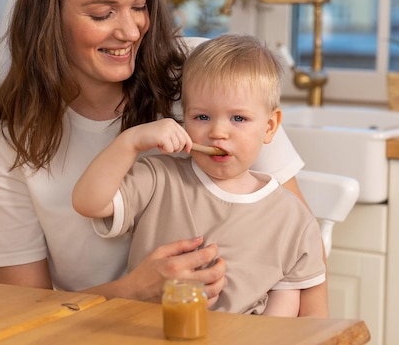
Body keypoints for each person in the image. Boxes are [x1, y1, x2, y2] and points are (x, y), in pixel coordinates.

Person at [0, 0, 328, 316]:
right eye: (102, 13)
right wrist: (132, 290)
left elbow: (304, 270)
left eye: (139, 6)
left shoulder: (205, 74)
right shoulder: (7, 140)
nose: (129, 31)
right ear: (48, 14)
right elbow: (26, 314)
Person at [72, 34, 327, 316]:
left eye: (238, 118)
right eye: (202, 117)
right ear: (185, 121)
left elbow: (288, 316)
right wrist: (131, 142)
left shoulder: (292, 218)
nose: (218, 132)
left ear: (269, 127)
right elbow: (88, 202)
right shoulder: (159, 179)